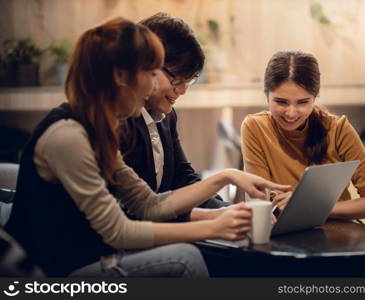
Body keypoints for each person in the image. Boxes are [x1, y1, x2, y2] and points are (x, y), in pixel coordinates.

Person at [5, 18, 289, 278]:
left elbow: (148, 204)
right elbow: (118, 230)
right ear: (120, 76)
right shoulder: (68, 137)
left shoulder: (98, 129)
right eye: (151, 73)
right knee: (186, 258)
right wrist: (212, 226)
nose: (153, 86)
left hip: (89, 257)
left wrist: (227, 177)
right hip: (51, 271)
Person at [241, 49, 365, 220]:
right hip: (285, 234)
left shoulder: (338, 129)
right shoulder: (255, 127)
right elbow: (259, 198)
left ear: (315, 97)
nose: (291, 113)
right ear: (267, 96)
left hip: (337, 233)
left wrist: (311, 207)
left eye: (303, 102)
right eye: (281, 102)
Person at [120, 13, 233, 223]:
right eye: (176, 79)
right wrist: (210, 217)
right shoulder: (117, 121)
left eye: (188, 81)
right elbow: (132, 211)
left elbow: (183, 178)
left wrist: (229, 209)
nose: (182, 91)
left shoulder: (167, 116)